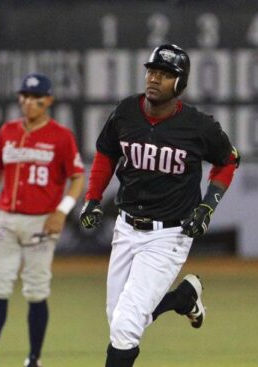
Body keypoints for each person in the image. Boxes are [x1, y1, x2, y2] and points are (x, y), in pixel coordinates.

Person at [79, 44, 239, 367]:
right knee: (118, 319)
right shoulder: (126, 112)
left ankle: (182, 298)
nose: (154, 79)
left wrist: (208, 206)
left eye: (165, 75)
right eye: (152, 71)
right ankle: (183, 298)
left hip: (170, 233)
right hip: (126, 227)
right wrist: (93, 198)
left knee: (125, 326)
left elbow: (229, 160)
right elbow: (106, 153)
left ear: (180, 83)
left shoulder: (197, 126)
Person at [0, 73, 85, 367]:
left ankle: (34, 359)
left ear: (49, 100)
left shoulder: (61, 136)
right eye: (25, 96)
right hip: (6, 219)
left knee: (36, 289)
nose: (29, 102)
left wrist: (62, 211)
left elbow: (77, 178)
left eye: (36, 97)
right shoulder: (8, 131)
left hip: (42, 222)